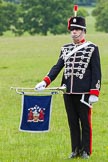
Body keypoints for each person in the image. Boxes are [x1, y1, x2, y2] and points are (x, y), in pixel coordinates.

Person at [35, 6, 101, 159]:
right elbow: (57, 67)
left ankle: (86, 151)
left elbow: (97, 72)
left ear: (84, 31)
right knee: (72, 122)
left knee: (85, 122)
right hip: (67, 91)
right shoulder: (65, 49)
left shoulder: (92, 48)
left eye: (77, 29)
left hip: (84, 93)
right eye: (72, 29)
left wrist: (94, 92)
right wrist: (45, 82)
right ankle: (75, 149)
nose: (74, 32)